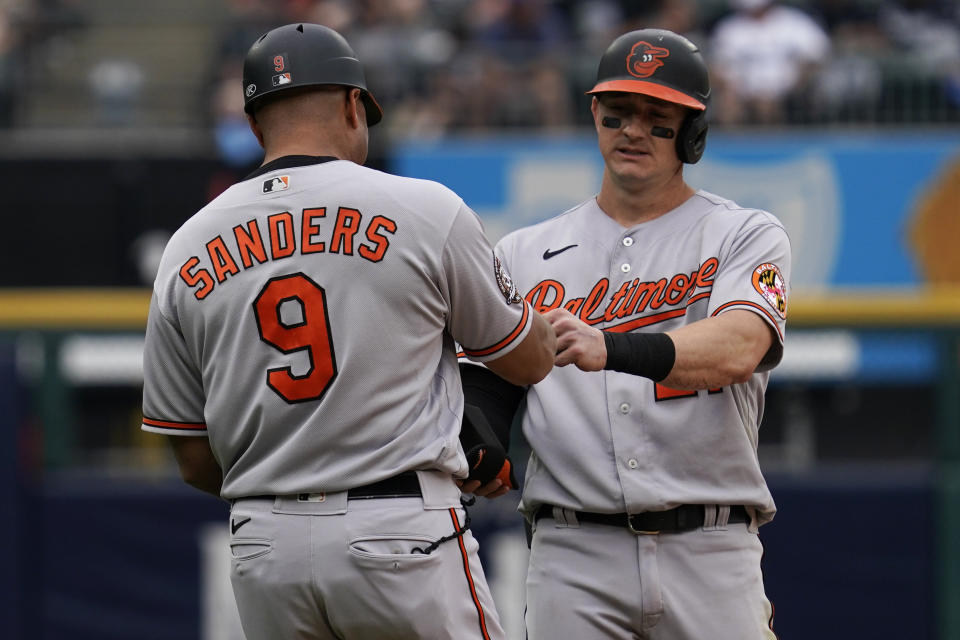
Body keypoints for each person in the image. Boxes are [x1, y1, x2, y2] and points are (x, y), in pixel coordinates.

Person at [139, 23, 556, 640]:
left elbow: (194, 457)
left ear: (255, 126)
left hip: (265, 546)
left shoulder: (186, 245)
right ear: (350, 103)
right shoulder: (425, 208)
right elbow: (525, 362)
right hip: (398, 525)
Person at [462, 28, 791, 639]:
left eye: (657, 116)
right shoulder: (523, 250)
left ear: (693, 130)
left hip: (710, 547)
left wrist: (609, 344)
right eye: (619, 113)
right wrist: (478, 436)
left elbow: (741, 346)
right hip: (573, 551)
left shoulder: (743, 233)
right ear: (594, 113)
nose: (634, 130)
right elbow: (487, 379)